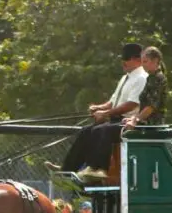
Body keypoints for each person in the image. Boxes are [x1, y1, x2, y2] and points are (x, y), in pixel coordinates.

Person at [49, 42, 148, 182]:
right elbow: (113, 101)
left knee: (101, 130)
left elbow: (132, 104)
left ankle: (98, 168)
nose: (123, 62)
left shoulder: (141, 78)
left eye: (126, 59)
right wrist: (99, 108)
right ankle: (68, 168)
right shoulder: (125, 77)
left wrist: (106, 114)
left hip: (128, 122)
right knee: (85, 131)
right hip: (116, 120)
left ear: (137, 59)